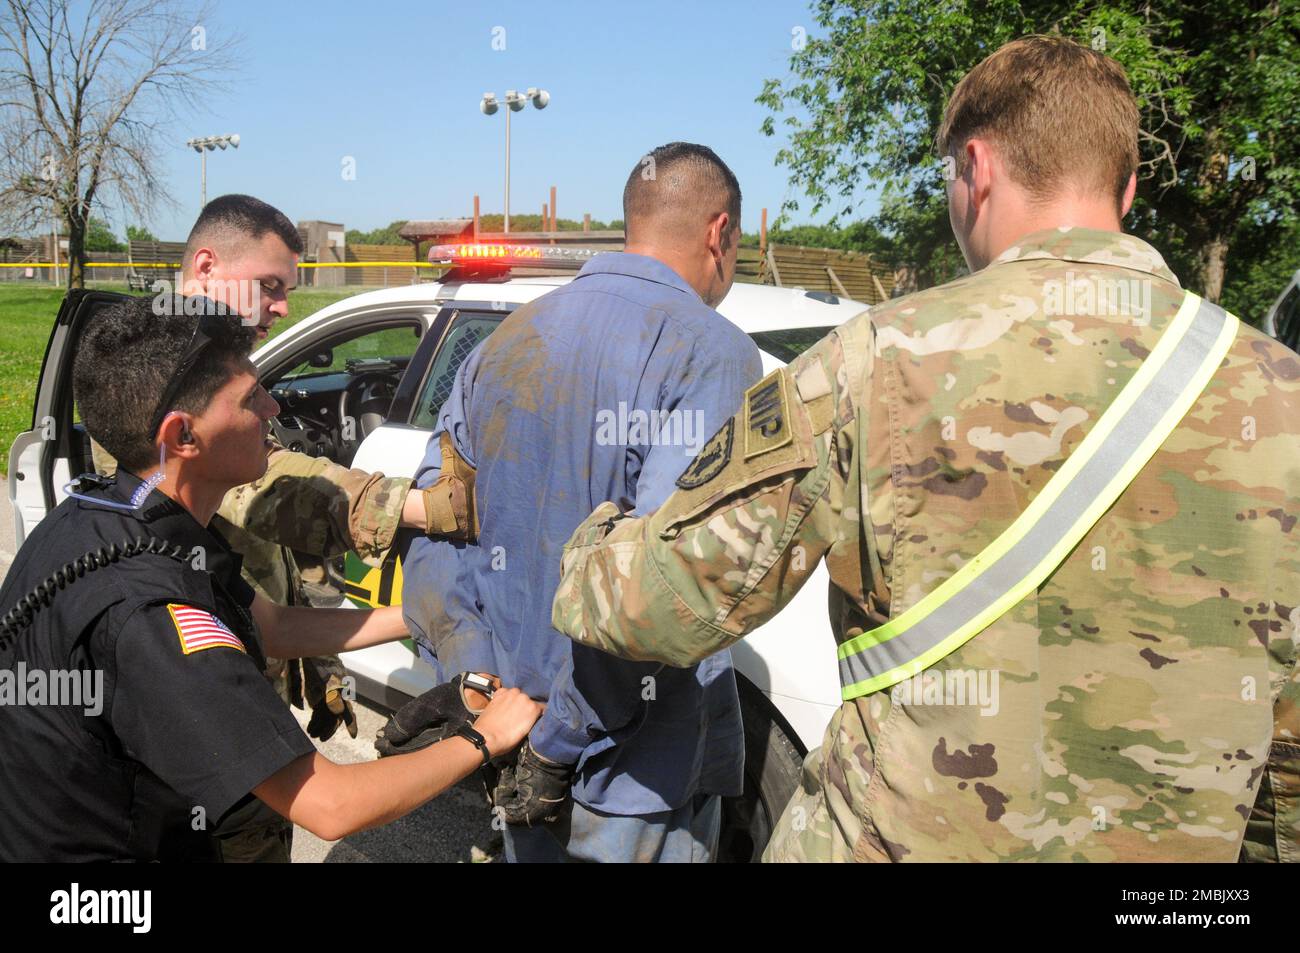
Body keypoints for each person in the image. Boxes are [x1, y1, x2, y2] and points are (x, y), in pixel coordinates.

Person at [552, 35, 1300, 862]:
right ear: (1126, 185)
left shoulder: (877, 359)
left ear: (974, 168)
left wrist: (590, 542)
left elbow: (667, 601)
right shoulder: (1284, 390)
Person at [0, 296, 540, 862]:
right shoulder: (150, 612)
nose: (274, 408)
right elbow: (331, 806)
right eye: (250, 397)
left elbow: (275, 627)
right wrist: (485, 738)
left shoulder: (124, 511)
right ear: (183, 437)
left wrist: (420, 614)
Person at [402, 143, 763, 862]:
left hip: (510, 736)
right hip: (625, 775)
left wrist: (477, 678)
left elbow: (431, 520)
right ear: (720, 234)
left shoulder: (503, 340)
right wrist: (559, 737)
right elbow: (663, 584)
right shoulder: (711, 352)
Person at [90, 196, 476, 859]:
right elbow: (267, 485)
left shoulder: (210, 364)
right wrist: (419, 508)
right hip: (205, 716)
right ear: (207, 266)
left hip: (250, 668)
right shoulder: (151, 374)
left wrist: (412, 614)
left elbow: (262, 614)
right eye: (270, 287)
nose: (281, 308)